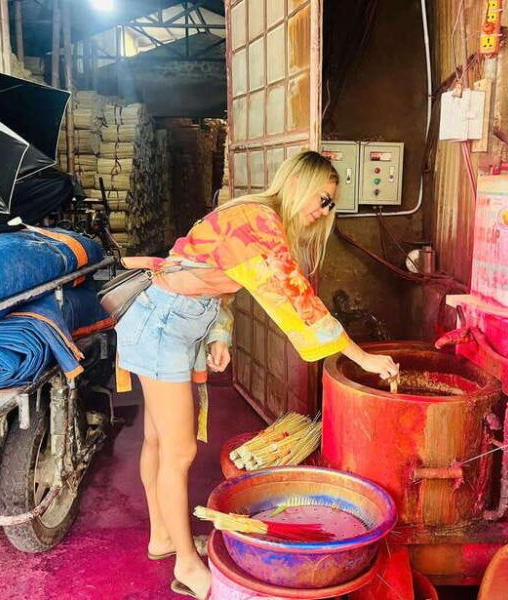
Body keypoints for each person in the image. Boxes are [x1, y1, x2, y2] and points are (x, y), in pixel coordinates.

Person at [115, 151, 399, 599]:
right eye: (322, 199)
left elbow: (221, 282)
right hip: (163, 324)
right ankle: (188, 565)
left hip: (183, 319)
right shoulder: (258, 221)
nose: (323, 211)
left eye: (330, 205)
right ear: (299, 183)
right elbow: (298, 302)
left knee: (160, 441)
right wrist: (362, 357)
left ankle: (163, 538)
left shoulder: (259, 220)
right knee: (180, 449)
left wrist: (220, 334)